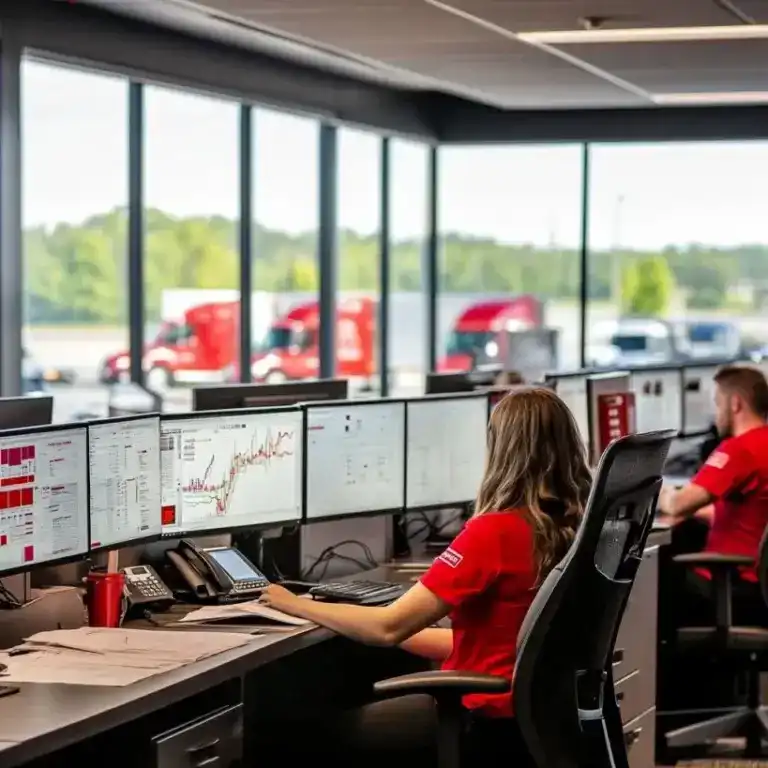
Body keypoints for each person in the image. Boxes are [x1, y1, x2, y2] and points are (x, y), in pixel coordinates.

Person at [258, 387, 592, 766]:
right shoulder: (574, 524)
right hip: (542, 718)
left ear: (502, 450)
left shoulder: (496, 533)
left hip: (486, 719)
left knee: (296, 734)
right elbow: (500, 642)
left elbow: (386, 627)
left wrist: (294, 604)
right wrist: (390, 630)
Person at [658, 364, 768, 627]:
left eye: (718, 404)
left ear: (735, 404)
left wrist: (653, 488)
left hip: (733, 584)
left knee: (648, 571)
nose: (716, 415)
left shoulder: (739, 450)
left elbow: (676, 505)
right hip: (760, 586)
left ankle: (662, 666)